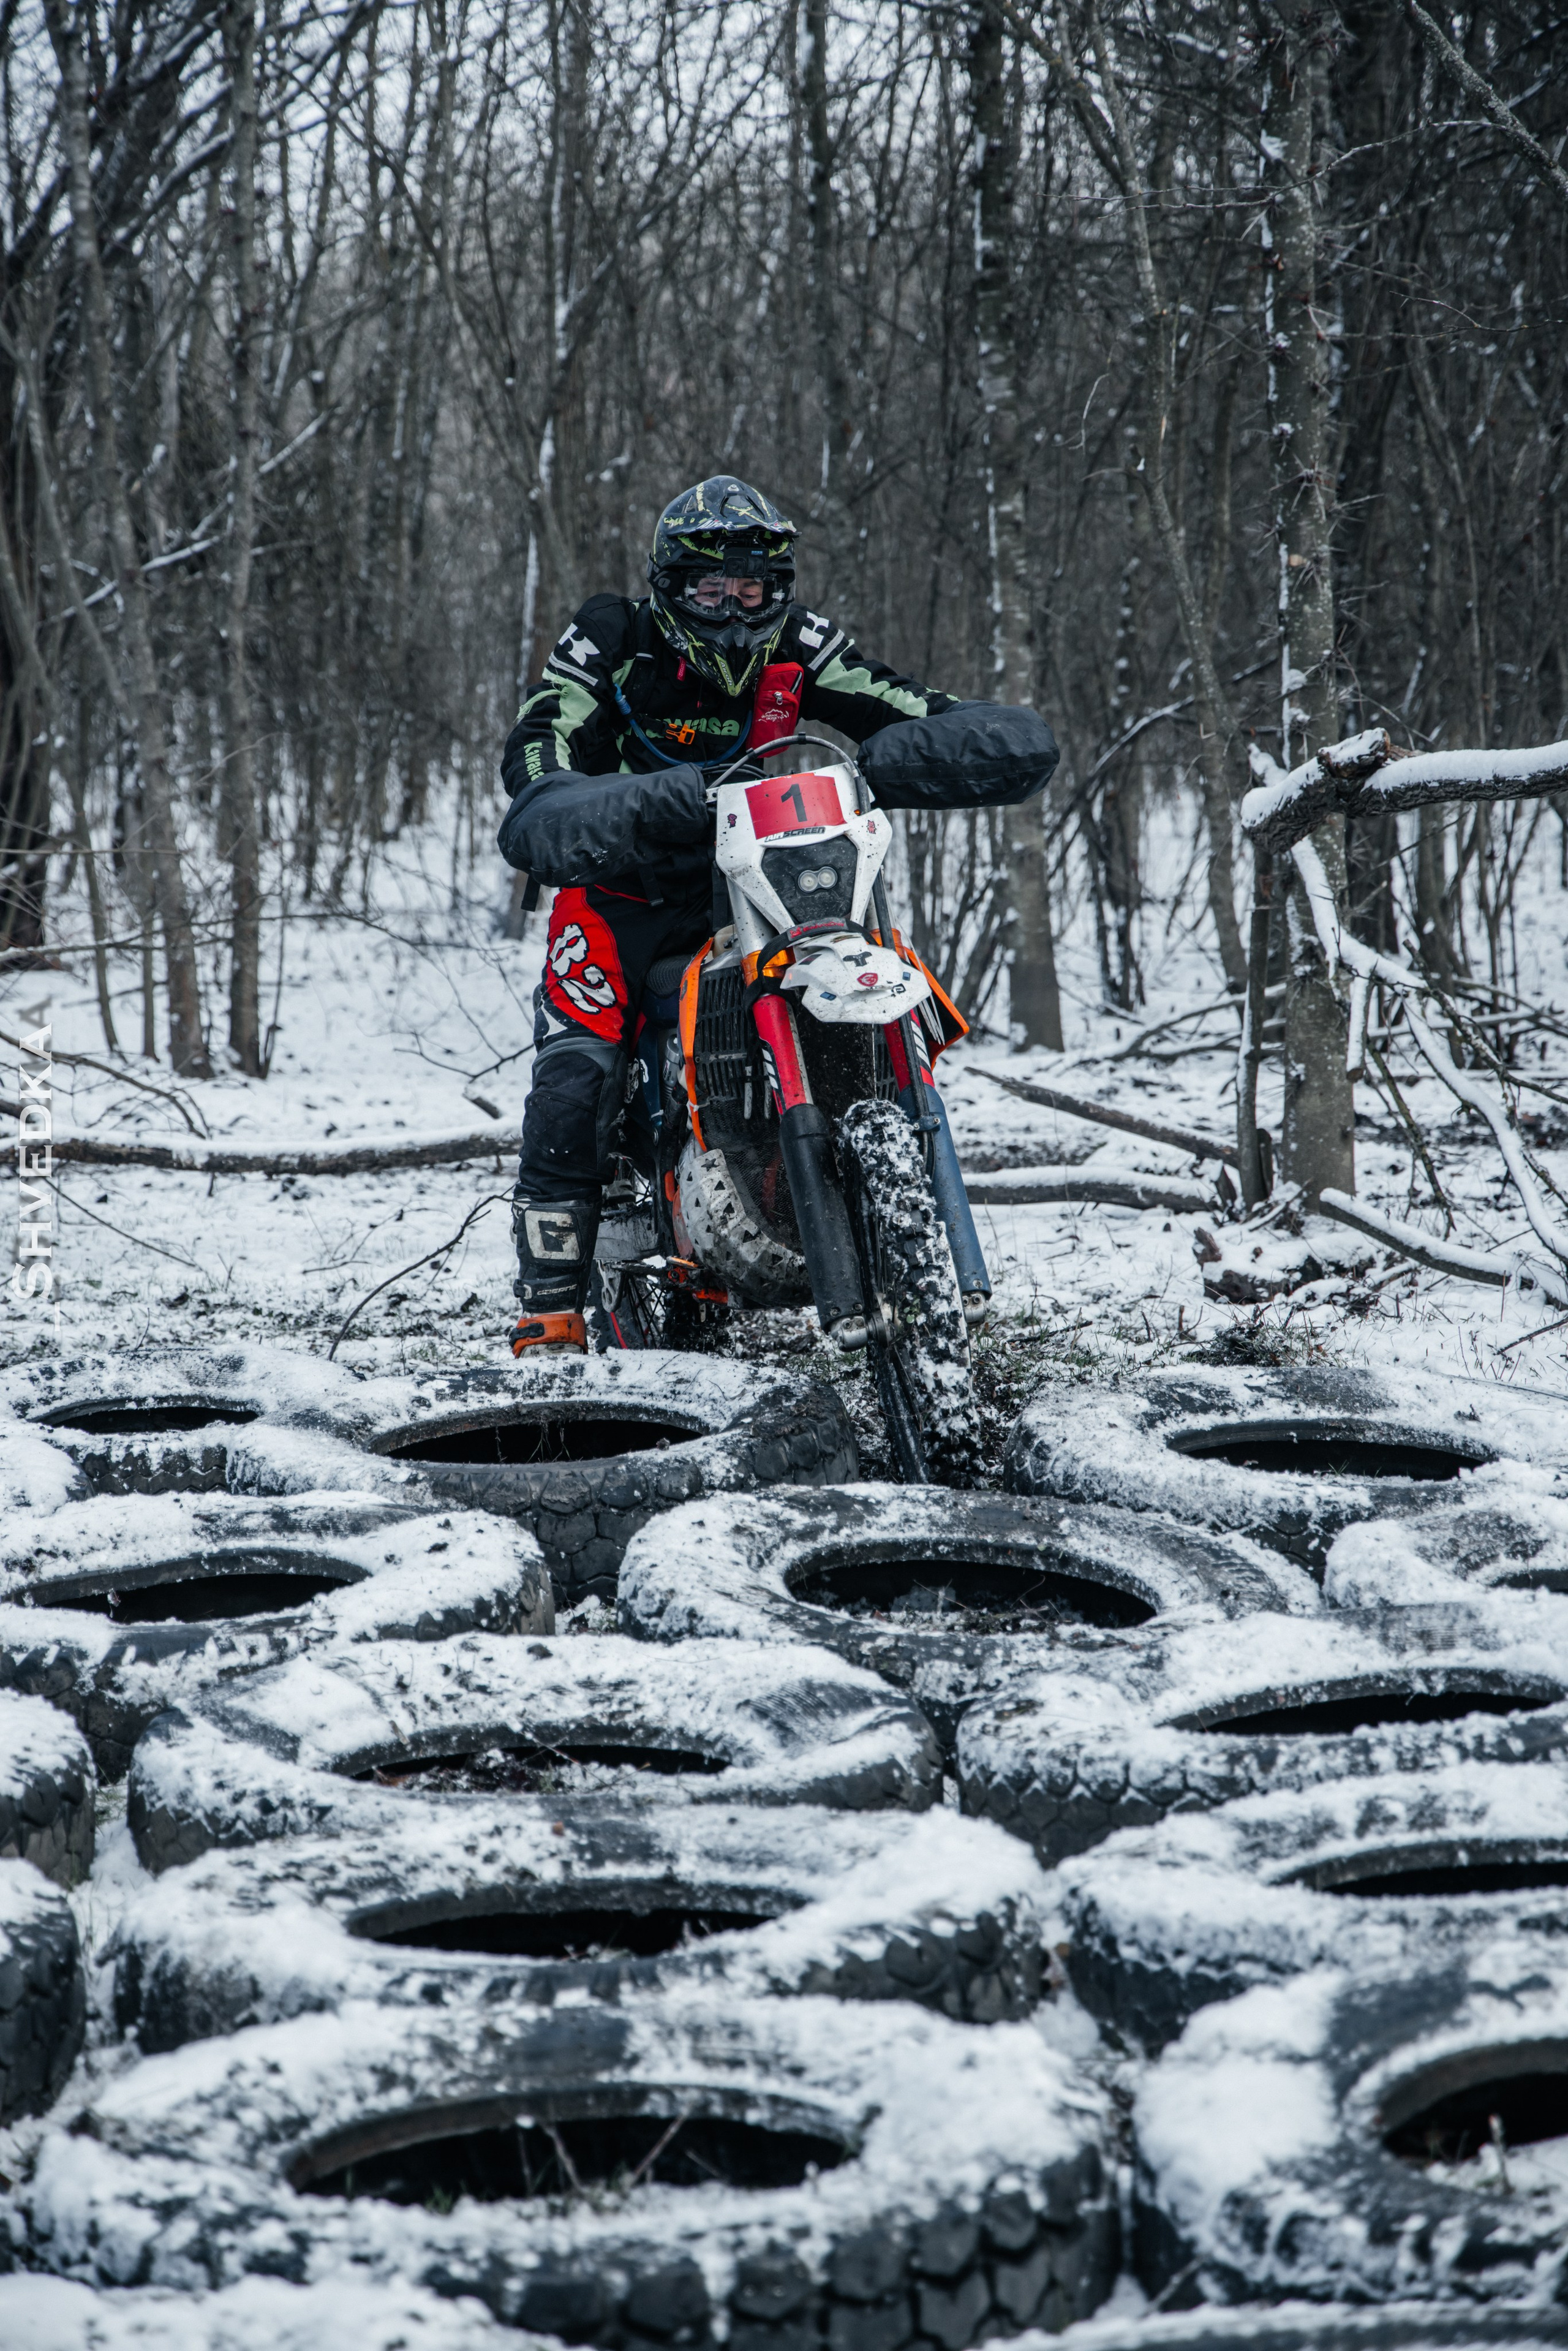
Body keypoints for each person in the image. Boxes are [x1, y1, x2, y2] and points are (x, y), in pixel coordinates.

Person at [497, 473, 1055, 1356]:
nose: (731, 608)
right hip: (623, 892)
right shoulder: (614, 639)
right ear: (672, 587)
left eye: (750, 589)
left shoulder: (803, 647)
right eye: (710, 589)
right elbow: (540, 744)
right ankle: (550, 1310)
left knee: (873, 1010)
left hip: (774, 887)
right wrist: (586, 802)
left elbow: (906, 704)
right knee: (577, 1075)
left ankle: (899, 1251)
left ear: (776, 590)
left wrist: (972, 740)